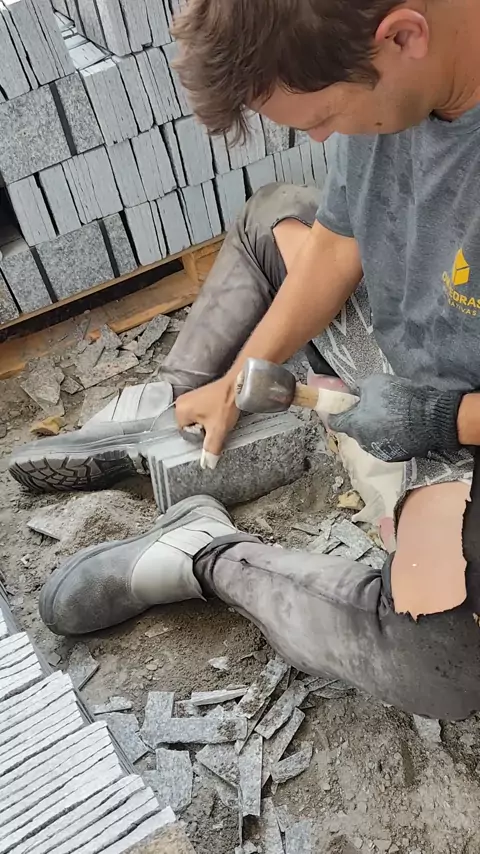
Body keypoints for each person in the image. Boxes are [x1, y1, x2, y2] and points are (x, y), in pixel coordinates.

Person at [9, 0, 480, 720]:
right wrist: (236, 381)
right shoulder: (394, 76)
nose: (319, 137)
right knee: (279, 212)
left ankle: (204, 553)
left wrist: (445, 417)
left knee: (439, 657)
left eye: (323, 116)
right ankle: (171, 409)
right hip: (415, 350)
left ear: (404, 36)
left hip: (462, 424)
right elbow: (336, 247)